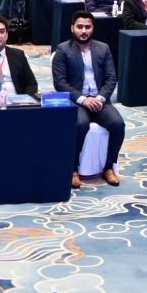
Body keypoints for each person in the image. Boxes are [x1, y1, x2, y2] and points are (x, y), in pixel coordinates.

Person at [52, 12, 123, 186]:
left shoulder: (103, 48)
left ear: (93, 28)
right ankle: (73, 169)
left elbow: (111, 78)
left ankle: (108, 167)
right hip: (76, 101)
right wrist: (83, 99)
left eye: (87, 27)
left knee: (118, 124)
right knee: (80, 124)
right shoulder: (63, 50)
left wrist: (100, 98)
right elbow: (60, 83)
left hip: (99, 100)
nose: (84, 31)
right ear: (72, 28)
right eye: (80, 27)